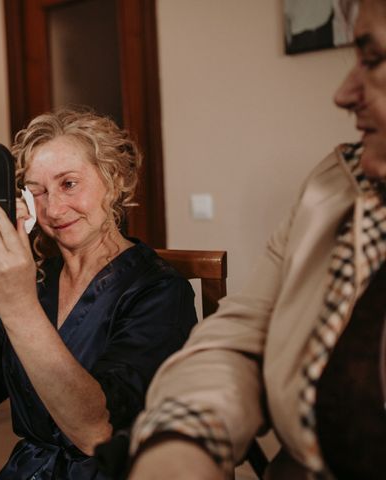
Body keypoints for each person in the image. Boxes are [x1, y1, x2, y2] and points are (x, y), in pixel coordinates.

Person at [127, 0, 386, 478]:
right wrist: (179, 447)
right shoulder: (333, 185)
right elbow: (241, 338)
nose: (343, 93)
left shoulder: (148, 284)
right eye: (34, 188)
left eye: (372, 60)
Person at [0, 108, 198, 479]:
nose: (53, 209)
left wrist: (16, 303)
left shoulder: (159, 291)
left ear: (115, 179)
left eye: (69, 184)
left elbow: (95, 433)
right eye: (37, 191)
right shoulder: (36, 279)